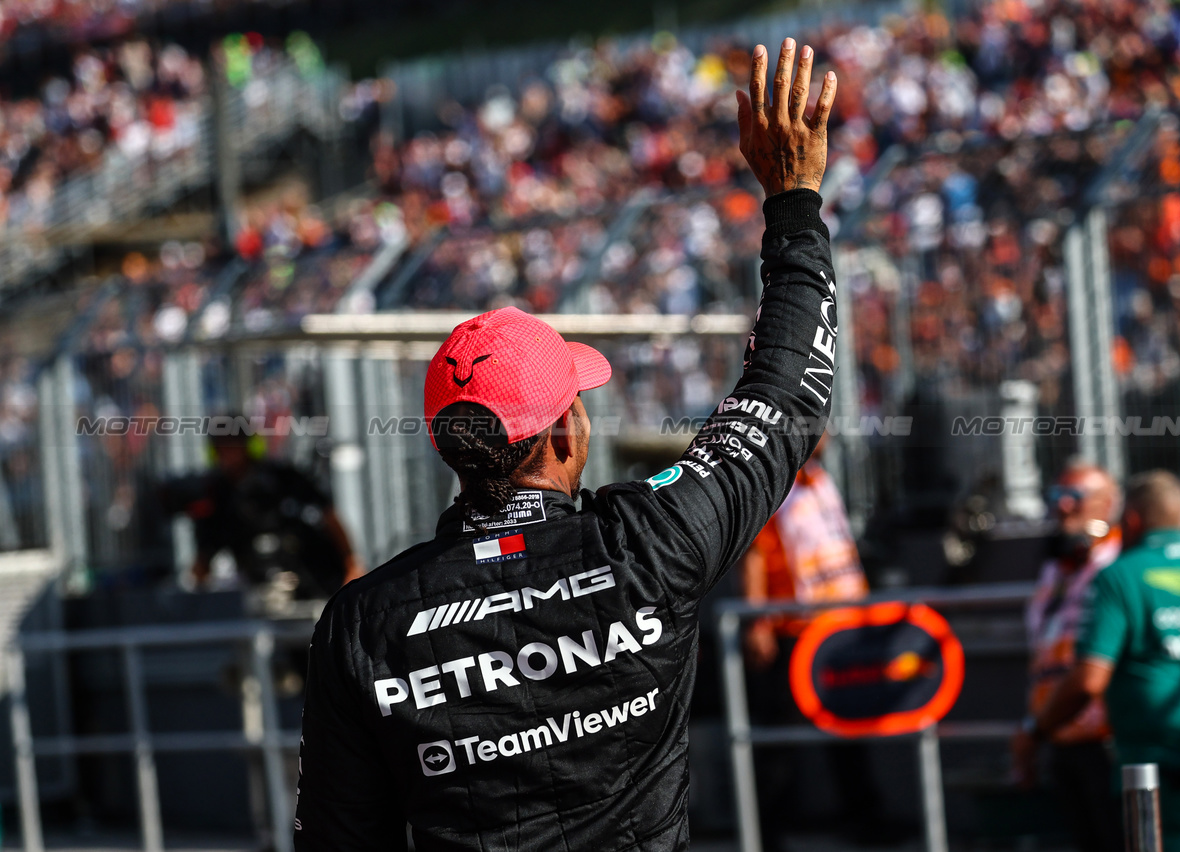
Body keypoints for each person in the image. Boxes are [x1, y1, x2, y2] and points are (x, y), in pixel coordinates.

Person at [294, 40, 840, 851]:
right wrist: (792, 201)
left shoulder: (363, 623)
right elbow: (787, 394)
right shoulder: (650, 544)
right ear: (564, 430)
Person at [1026, 470, 1180, 852]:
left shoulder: (1120, 577)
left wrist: (1036, 733)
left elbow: (1089, 680)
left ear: (1131, 520)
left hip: (1155, 757)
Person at [742, 432, 880, 850]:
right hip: (791, 629)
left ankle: (864, 820)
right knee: (779, 742)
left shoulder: (819, 478)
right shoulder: (772, 484)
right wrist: (756, 621)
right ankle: (770, 835)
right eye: (819, 427)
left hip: (838, 628)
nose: (828, 435)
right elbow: (754, 553)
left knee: (849, 728)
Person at [1013, 461, 1124, 852]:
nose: (1062, 507)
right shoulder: (1056, 570)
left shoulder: (1119, 568)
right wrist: (1036, 729)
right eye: (1056, 497)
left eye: (1074, 497)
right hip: (1058, 735)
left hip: (1108, 744)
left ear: (1107, 504)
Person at [167, 426, 363, 598]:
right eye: (222, 447)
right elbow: (205, 554)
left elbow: (327, 515)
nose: (228, 455)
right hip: (260, 591)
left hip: (315, 578)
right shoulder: (218, 495)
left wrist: (352, 565)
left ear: (246, 445)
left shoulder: (283, 478)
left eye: (233, 445)